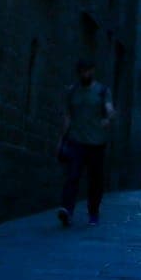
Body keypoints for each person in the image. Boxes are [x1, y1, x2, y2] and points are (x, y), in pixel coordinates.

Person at [57, 59, 115, 227]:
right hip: (76, 141)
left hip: (97, 143)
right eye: (82, 71)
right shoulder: (72, 92)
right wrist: (62, 139)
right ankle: (67, 209)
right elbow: (68, 116)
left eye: (87, 71)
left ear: (92, 71)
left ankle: (93, 212)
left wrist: (108, 119)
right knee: (72, 176)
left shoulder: (102, 91)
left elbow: (110, 109)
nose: (85, 74)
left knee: (95, 180)